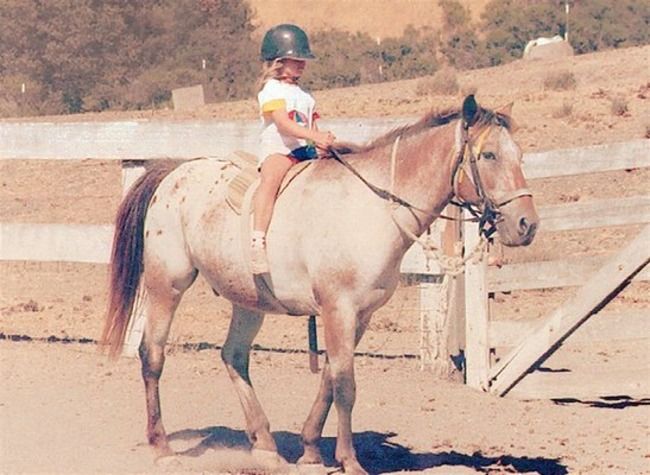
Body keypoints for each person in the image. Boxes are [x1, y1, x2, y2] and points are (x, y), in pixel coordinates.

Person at [251, 24, 336, 274]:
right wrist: (314, 135)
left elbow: (313, 123)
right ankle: (258, 240)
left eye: (302, 60)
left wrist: (323, 140)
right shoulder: (271, 91)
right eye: (295, 59)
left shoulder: (305, 96)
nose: (301, 64)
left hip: (305, 153)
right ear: (278, 60)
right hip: (280, 150)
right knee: (270, 181)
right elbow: (283, 124)